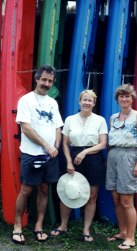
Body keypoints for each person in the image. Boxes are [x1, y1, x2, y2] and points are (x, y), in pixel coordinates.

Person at [12, 65, 63, 244]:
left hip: (50, 156)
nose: (46, 84)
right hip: (31, 153)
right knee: (26, 189)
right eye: (44, 80)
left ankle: (39, 226)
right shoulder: (26, 100)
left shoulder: (52, 103)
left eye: (50, 81)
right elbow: (26, 128)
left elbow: (58, 127)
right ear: (36, 78)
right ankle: (17, 226)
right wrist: (47, 146)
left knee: (44, 190)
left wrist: (55, 147)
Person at [51, 89, 108, 242]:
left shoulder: (100, 120)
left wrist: (85, 152)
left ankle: (86, 230)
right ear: (79, 101)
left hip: (94, 159)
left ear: (94, 103)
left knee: (91, 196)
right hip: (74, 157)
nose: (87, 103)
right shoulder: (70, 119)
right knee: (67, 192)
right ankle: (63, 225)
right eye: (84, 100)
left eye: (90, 100)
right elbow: (64, 144)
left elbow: (103, 144)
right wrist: (69, 161)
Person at [106, 84, 137, 250]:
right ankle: (122, 232)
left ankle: (131, 238)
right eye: (121, 96)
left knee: (126, 201)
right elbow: (111, 139)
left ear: (132, 99)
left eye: (127, 96)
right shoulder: (113, 117)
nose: (124, 99)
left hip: (129, 156)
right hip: (113, 156)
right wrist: (108, 159)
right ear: (117, 99)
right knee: (116, 199)